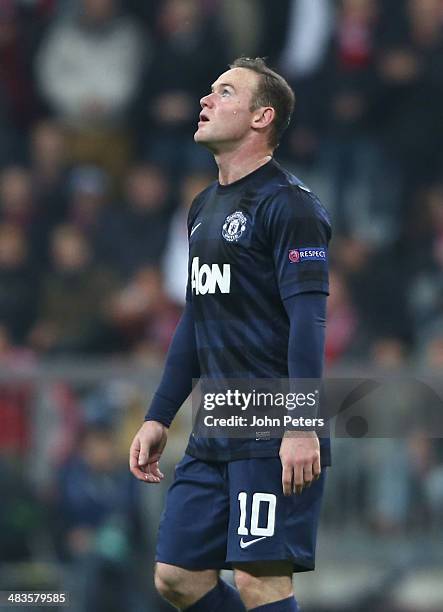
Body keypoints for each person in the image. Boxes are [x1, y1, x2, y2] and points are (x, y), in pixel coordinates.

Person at [130, 57, 331, 612]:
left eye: (224, 92)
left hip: (271, 421)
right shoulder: (202, 207)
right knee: (175, 577)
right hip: (215, 422)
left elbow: (309, 322)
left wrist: (302, 425)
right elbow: (195, 319)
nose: (205, 100)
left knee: (258, 580)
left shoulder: (291, 205)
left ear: (262, 116)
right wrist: (158, 415)